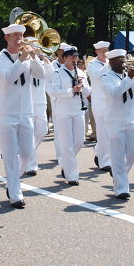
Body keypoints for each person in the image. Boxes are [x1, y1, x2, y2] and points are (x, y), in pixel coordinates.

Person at [0, 24, 45, 208]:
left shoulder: (28, 57)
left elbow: (42, 74)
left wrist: (35, 57)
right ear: (7, 38)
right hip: (7, 112)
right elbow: (8, 78)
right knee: (10, 153)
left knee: (28, 153)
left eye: (21, 35)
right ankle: (15, 192)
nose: (19, 39)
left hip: (26, 111)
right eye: (15, 36)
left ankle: (12, 182)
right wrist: (22, 59)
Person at [100, 49, 134, 199]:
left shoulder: (129, 76)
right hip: (114, 121)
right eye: (119, 59)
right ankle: (121, 188)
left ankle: (118, 175)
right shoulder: (106, 77)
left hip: (131, 120)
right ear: (111, 62)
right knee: (117, 156)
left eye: (124, 59)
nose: (123, 62)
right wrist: (129, 79)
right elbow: (114, 93)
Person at [49, 47, 91, 185]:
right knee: (66, 144)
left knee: (79, 141)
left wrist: (82, 85)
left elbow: (88, 91)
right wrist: (71, 90)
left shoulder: (81, 73)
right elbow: (54, 92)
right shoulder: (58, 73)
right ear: (65, 58)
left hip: (78, 110)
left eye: (76, 56)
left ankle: (65, 164)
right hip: (63, 111)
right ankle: (72, 176)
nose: (75, 59)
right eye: (72, 57)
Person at [24, 38, 54, 177]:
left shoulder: (41, 62)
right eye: (33, 46)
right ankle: (30, 164)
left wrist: (43, 56)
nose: (35, 48)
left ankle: (25, 154)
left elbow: (50, 74)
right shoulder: (25, 62)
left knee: (41, 132)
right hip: (28, 102)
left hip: (41, 102)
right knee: (29, 134)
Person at [87, 41, 112, 172]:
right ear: (96, 52)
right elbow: (97, 76)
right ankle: (104, 162)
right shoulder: (92, 64)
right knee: (102, 131)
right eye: (103, 51)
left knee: (109, 131)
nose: (106, 53)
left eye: (107, 50)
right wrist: (109, 64)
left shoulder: (109, 64)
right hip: (99, 101)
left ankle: (98, 150)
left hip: (111, 100)